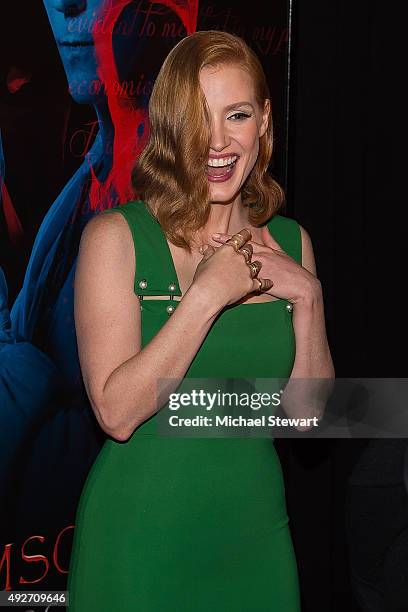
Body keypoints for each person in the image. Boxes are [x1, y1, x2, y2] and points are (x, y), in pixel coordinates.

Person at [68, 30, 334, 610]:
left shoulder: (292, 244)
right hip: (140, 542)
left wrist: (309, 299)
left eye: (236, 114)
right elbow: (116, 412)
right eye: (197, 118)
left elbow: (308, 424)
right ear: (169, 128)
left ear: (263, 121)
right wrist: (206, 295)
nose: (216, 141)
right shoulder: (116, 238)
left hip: (256, 540)